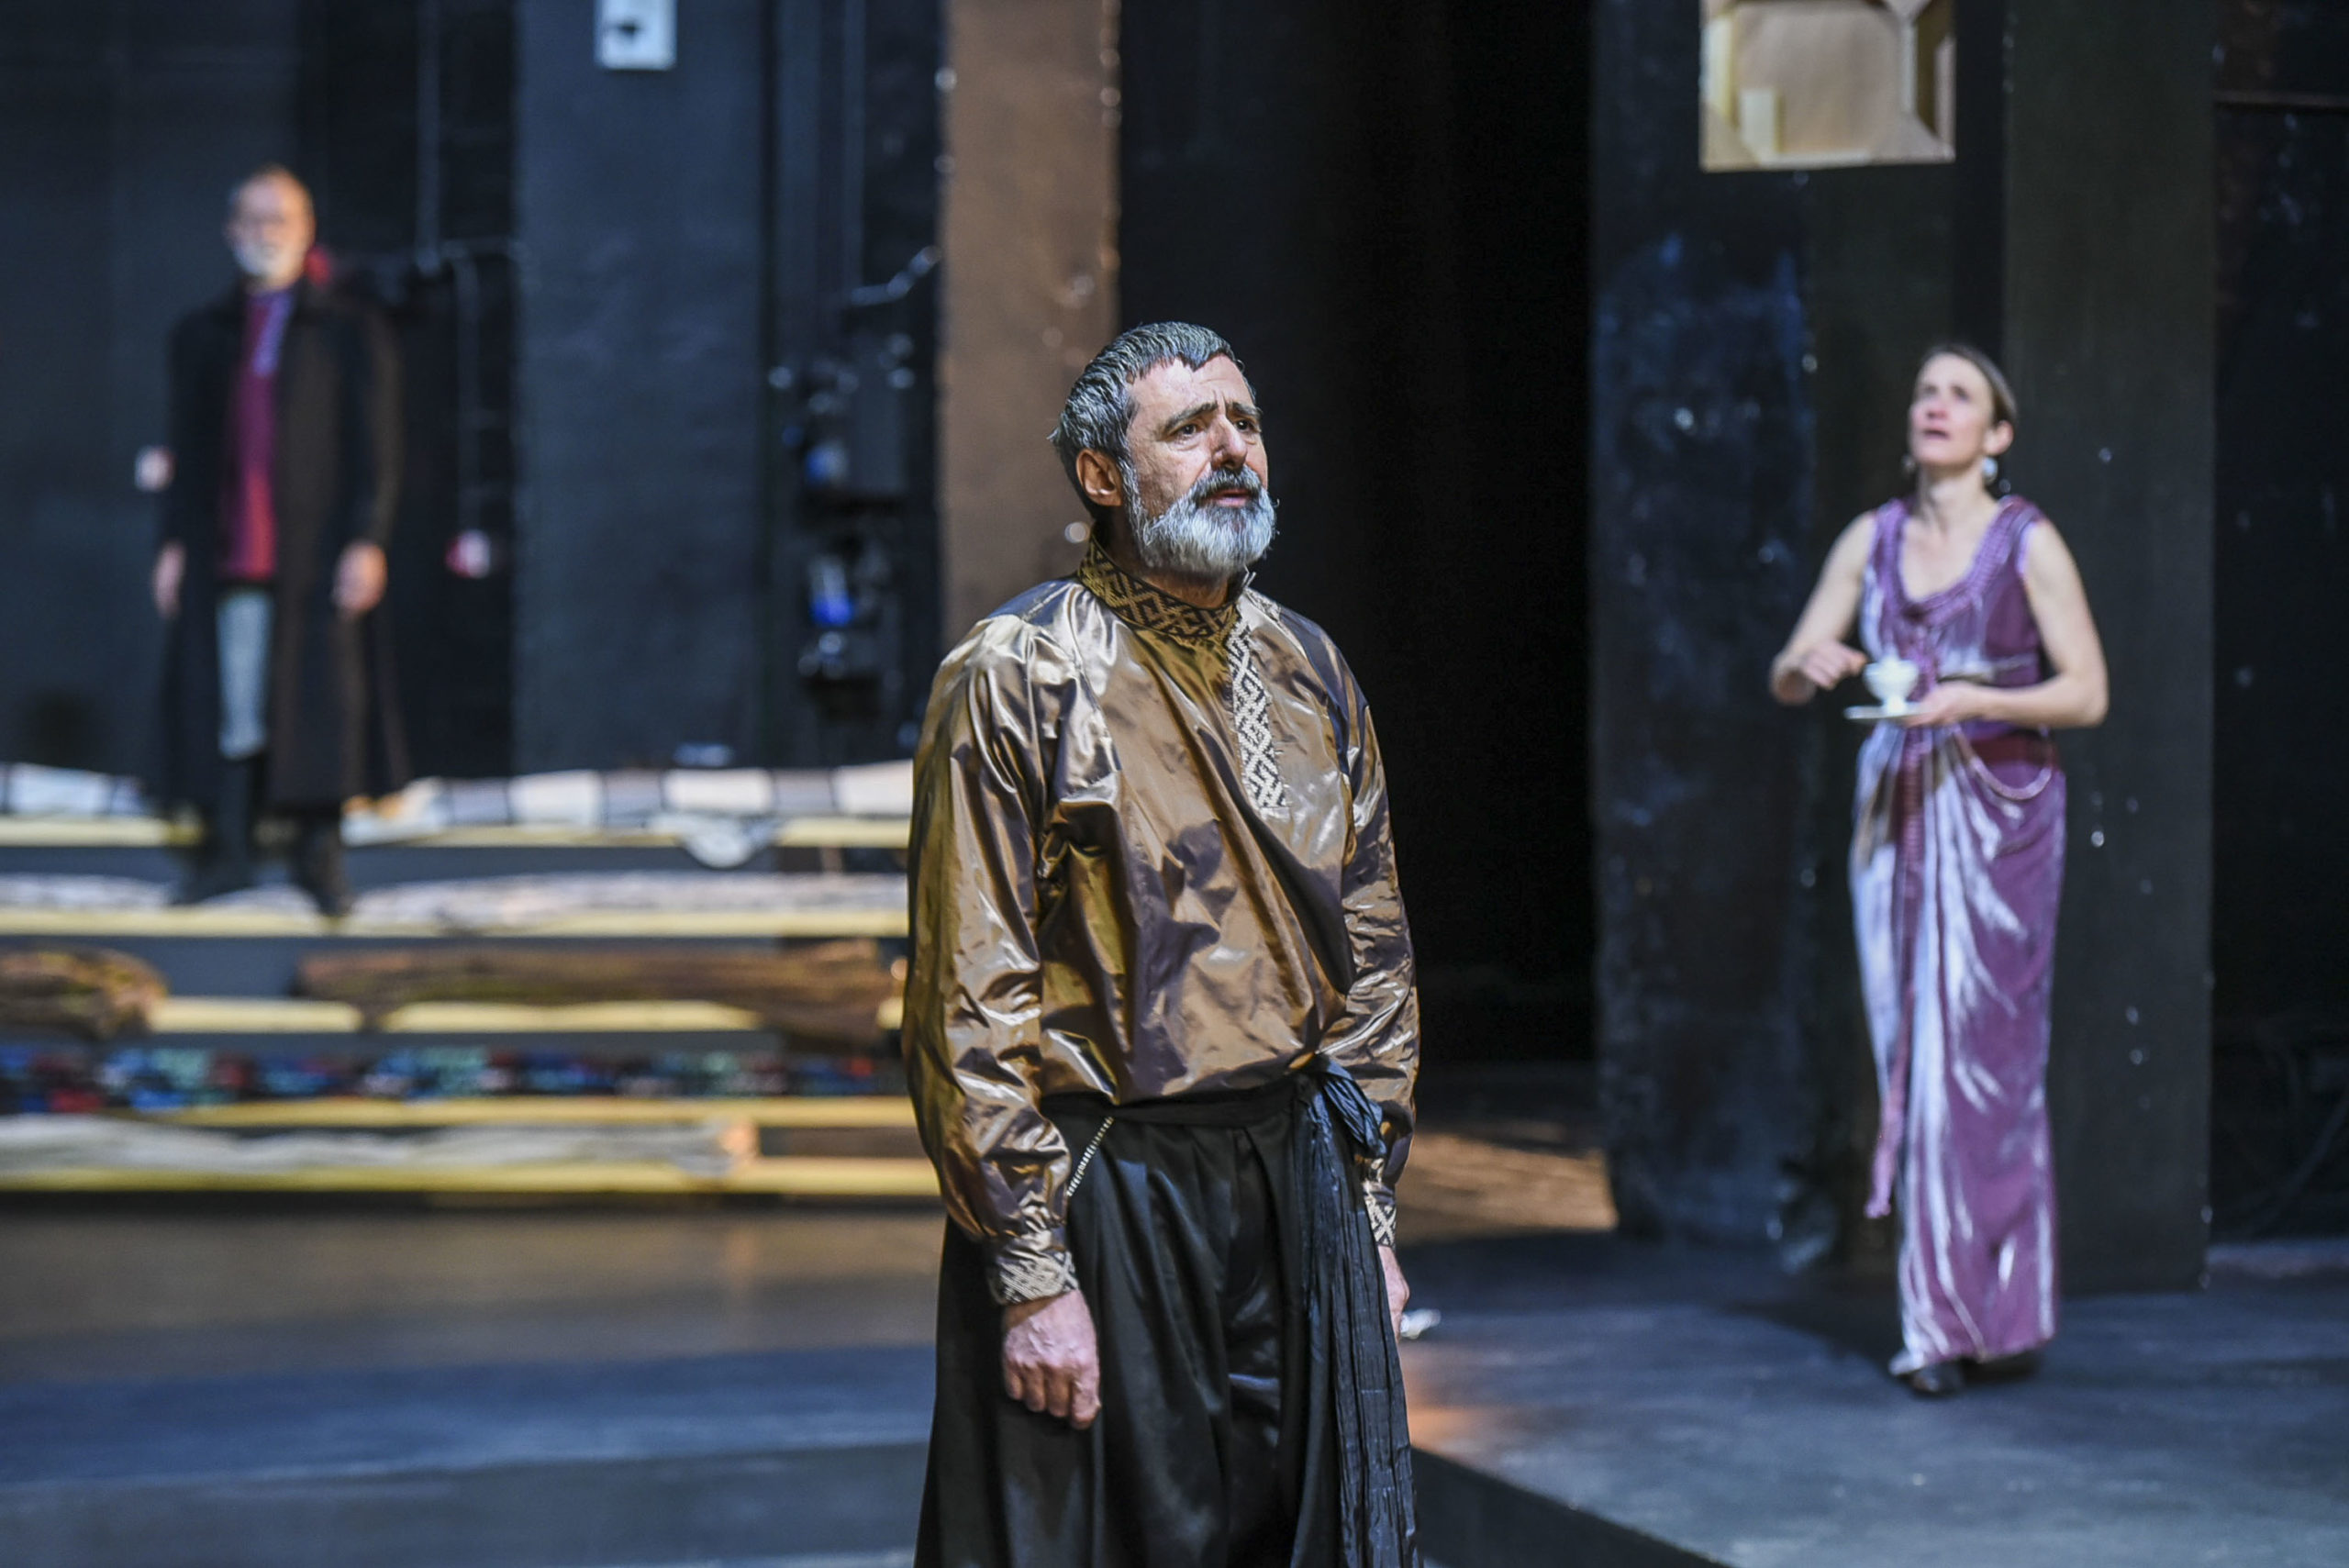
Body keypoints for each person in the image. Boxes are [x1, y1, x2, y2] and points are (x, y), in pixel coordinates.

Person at [905, 323, 1421, 1566]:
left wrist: (1368, 1213)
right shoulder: (1019, 672)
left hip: (1290, 1173)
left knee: (1291, 1533)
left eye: (1245, 422)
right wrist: (1030, 1269)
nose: (1231, 447)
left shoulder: (1307, 664)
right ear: (1101, 475)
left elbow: (1373, 948)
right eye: (1189, 428)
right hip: (1109, 1181)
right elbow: (972, 990)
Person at [1769, 345, 2110, 1397]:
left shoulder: (2026, 540)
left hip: (2000, 810)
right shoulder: (1869, 537)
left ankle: (1994, 1309)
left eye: (1960, 395)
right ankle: (1935, 1324)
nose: (1935, 406)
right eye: (1925, 391)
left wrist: (1976, 699)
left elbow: (2087, 690)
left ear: (1996, 433)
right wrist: (1807, 664)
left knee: (1987, 1066)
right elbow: (1789, 671)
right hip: (1899, 806)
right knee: (1912, 1056)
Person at [152, 165, 405, 915]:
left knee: (322, 699)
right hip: (233, 546)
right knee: (235, 701)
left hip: (315, 548)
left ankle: (318, 853)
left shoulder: (347, 331)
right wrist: (174, 543)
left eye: (281, 221)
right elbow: (187, 447)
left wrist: (366, 538)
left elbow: (376, 447)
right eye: (254, 221)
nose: (266, 235)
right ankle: (228, 852)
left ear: (306, 231)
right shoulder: (204, 332)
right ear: (232, 231)